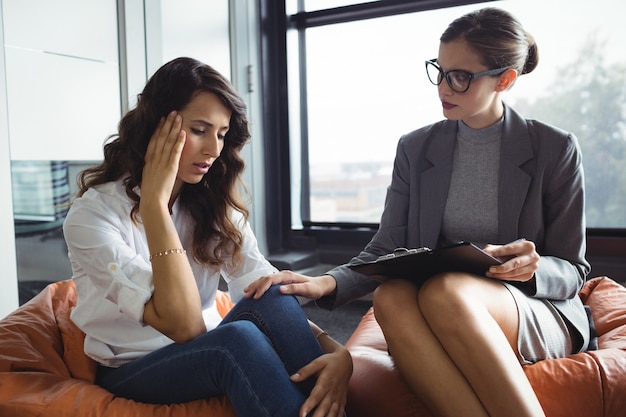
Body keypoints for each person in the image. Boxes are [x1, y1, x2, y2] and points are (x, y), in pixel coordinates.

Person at [245, 7, 591, 417]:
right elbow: (388, 245)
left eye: (460, 77)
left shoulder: (554, 148)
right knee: (390, 296)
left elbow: (574, 268)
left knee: (446, 290)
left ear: (505, 80)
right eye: (439, 70)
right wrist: (325, 283)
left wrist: (533, 270)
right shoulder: (416, 148)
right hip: (440, 303)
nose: (443, 86)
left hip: (530, 308)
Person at [63, 57, 351, 417]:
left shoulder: (211, 206)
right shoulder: (93, 216)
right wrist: (154, 205)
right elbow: (185, 326)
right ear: (157, 127)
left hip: (205, 344)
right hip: (133, 367)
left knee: (273, 290)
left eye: (221, 134)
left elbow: (265, 297)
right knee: (237, 341)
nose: (214, 150)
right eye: (200, 130)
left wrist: (335, 351)